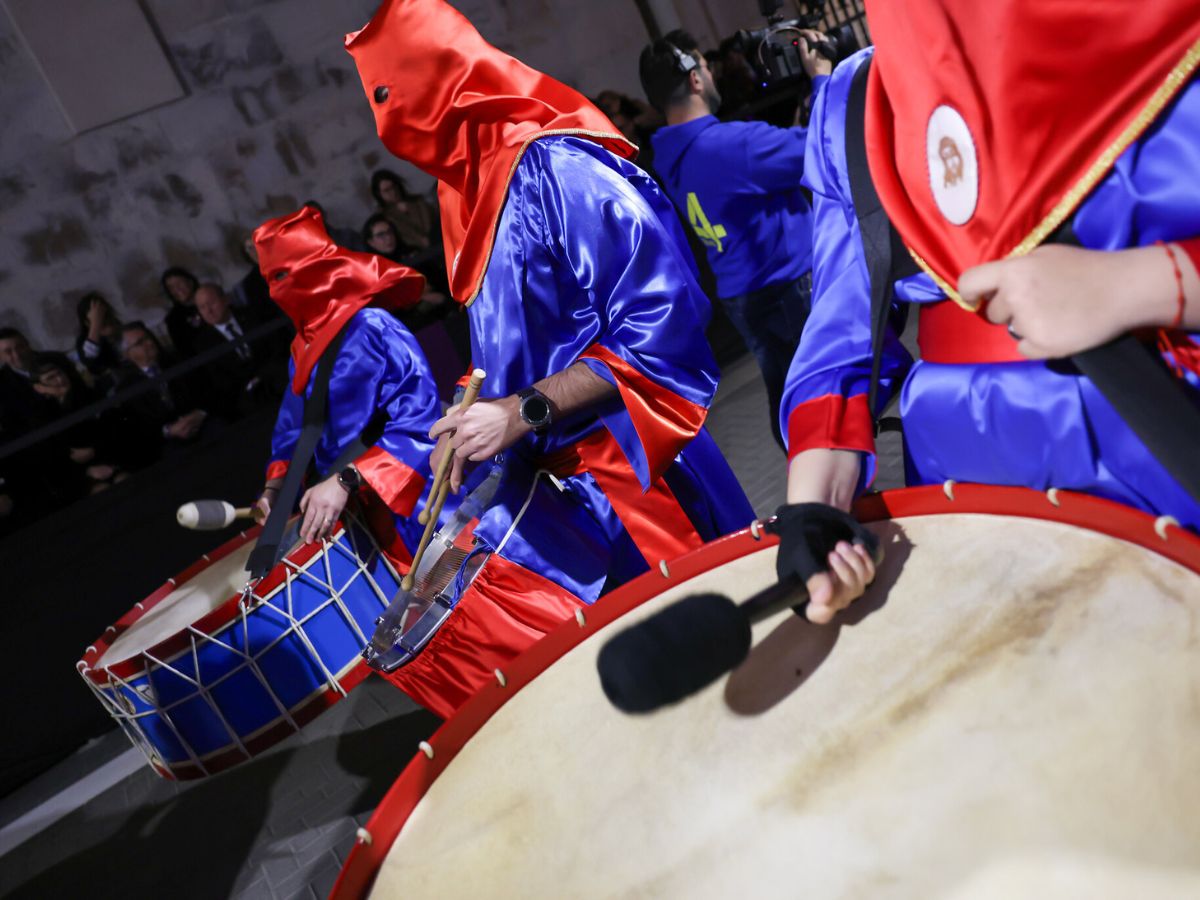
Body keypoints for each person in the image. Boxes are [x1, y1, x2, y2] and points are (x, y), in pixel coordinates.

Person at [777, 1, 1200, 626]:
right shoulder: (857, 102)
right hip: (962, 481)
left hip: (1164, 431)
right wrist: (813, 511)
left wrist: (1139, 286)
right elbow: (844, 336)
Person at [347, 0, 754, 607]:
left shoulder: (555, 167)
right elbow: (510, 345)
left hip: (638, 475)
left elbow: (663, 321)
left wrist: (522, 411)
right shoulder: (465, 193)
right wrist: (469, 413)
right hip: (570, 499)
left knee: (732, 640)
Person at [639, 29, 831, 450]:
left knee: (790, 402)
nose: (710, 74)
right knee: (825, 400)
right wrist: (821, 79)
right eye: (705, 66)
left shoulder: (669, 154)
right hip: (788, 291)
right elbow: (820, 147)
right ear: (694, 78)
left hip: (743, 295)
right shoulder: (728, 144)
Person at [115, 321, 210, 461]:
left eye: (148, 337)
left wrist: (200, 413)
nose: (149, 343)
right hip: (168, 443)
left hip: (203, 423)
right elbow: (141, 430)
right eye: (140, 343)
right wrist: (170, 430)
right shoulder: (127, 389)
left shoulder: (179, 361)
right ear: (128, 354)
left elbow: (207, 391)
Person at [192, 282, 289, 418]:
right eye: (202, 307)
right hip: (246, 397)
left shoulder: (253, 315)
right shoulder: (203, 344)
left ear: (226, 299)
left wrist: (263, 375)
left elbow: (277, 347)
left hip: (276, 375)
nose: (209, 311)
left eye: (212, 302)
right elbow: (220, 381)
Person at [73, 292, 123, 390]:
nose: (105, 319)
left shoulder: (124, 330)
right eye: (100, 317)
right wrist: (96, 323)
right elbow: (89, 357)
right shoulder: (84, 341)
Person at [160, 266, 205, 358]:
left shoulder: (210, 299)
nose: (177, 289)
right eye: (171, 287)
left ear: (190, 282)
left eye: (179, 283)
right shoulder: (173, 320)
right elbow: (185, 351)